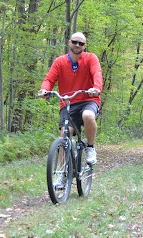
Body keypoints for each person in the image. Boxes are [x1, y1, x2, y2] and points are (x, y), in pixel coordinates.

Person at [39, 32, 103, 165]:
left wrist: (96, 88)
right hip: (68, 102)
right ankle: (62, 174)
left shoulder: (91, 58)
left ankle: (90, 147)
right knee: (65, 135)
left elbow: (97, 73)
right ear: (69, 42)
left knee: (88, 116)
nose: (77, 45)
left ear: (85, 46)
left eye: (81, 43)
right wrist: (44, 90)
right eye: (74, 42)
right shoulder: (60, 61)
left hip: (88, 99)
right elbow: (49, 79)